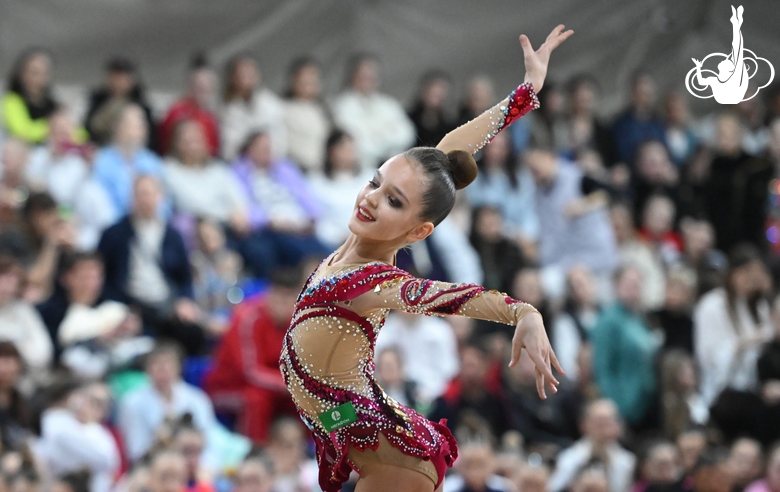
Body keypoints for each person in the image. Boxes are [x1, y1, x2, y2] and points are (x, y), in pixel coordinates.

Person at [279, 26, 573, 492]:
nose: (372, 200)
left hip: (393, 460)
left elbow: (454, 297)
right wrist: (524, 95)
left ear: (419, 232)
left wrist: (523, 311)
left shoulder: (374, 281)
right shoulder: (354, 240)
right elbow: (447, 153)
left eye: (394, 201)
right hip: (358, 420)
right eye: (376, 182)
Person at [97, 176, 208, 356]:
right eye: (140, 194)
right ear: (132, 198)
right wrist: (121, 309)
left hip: (166, 306)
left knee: (193, 334)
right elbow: (105, 278)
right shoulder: (114, 234)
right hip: (132, 306)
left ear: (159, 197)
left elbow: (184, 278)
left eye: (150, 194)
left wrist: (185, 301)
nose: (145, 199)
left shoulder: (173, 236)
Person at [203, 266, 303, 444]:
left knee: (315, 399)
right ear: (268, 294)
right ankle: (254, 453)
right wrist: (289, 385)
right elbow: (250, 372)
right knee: (257, 399)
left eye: (288, 297)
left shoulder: (298, 321)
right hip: (229, 387)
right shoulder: (249, 318)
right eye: (279, 296)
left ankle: (324, 456)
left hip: (274, 386)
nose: (283, 303)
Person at [230, 131, 329, 278]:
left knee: (327, 252)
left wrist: (311, 217)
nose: (267, 152)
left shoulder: (285, 168)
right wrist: (269, 221)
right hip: (268, 227)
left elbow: (305, 195)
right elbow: (241, 205)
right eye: (262, 148)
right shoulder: (238, 172)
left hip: (298, 224)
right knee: (301, 253)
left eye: (269, 148)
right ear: (249, 150)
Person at [591, 265, 661, 429]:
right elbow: (603, 369)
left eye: (637, 284)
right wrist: (616, 410)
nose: (634, 289)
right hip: (625, 405)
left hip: (646, 401)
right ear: (616, 286)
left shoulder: (640, 318)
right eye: (629, 284)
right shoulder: (608, 321)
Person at [330, 53, 416, 170]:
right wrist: (387, 133)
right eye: (362, 76)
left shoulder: (389, 104)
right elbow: (357, 145)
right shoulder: (342, 106)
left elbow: (407, 135)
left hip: (391, 168)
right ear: (352, 76)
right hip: (359, 171)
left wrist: (375, 137)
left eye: (371, 76)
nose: (367, 80)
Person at [32, 379, 120, 492]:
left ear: (104, 412)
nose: (87, 407)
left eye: (97, 405)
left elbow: (109, 460)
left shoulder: (102, 435)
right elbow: (55, 434)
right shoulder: (56, 419)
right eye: (86, 400)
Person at [162, 119, 248, 230]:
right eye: (187, 141)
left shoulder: (218, 169)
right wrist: (224, 215)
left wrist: (239, 214)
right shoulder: (169, 170)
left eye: (196, 140)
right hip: (195, 230)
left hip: (228, 227)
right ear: (176, 144)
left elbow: (239, 200)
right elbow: (191, 204)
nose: (192, 146)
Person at [92, 104, 164, 219]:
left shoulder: (152, 161)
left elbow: (164, 202)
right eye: (129, 125)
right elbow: (100, 201)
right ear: (116, 128)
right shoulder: (102, 160)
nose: (134, 132)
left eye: (139, 126)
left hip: (148, 223)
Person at [375, 308, 460, 406]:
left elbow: (449, 370)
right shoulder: (384, 330)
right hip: (393, 395)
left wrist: (427, 395)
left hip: (433, 398)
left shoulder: (440, 331)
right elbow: (376, 368)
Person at [548, 399, 636, 492]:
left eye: (608, 422)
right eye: (599, 423)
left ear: (617, 426)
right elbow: (553, 488)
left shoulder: (627, 462)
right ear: (584, 425)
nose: (604, 428)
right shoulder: (569, 458)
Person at [308, 130, 374, 249]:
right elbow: (318, 219)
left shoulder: (369, 178)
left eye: (351, 149)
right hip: (333, 243)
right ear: (331, 152)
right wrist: (338, 237)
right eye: (343, 149)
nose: (349, 154)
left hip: (369, 238)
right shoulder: (316, 183)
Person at [220, 54, 286, 161]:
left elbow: (280, 144)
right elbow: (229, 149)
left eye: (250, 72)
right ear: (233, 78)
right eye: (242, 72)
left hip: (270, 166)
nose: (247, 76)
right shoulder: (227, 110)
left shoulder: (273, 104)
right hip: (240, 165)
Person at [84, 56, 157, 149]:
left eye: (122, 77)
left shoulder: (141, 105)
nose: (118, 82)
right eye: (114, 77)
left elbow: (151, 138)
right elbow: (86, 128)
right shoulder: (97, 101)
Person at [158, 54, 220, 157]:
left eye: (206, 86)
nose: (202, 90)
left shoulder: (210, 117)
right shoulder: (176, 112)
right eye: (198, 86)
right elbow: (165, 145)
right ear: (190, 85)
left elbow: (214, 149)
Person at [282, 57, 332, 173]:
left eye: (314, 77)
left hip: (322, 172)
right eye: (305, 78)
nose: (310, 82)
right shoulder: (283, 109)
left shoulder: (324, 110)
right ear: (294, 80)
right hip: (295, 170)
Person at [691, 6, 748, 105]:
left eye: (727, 61)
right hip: (725, 102)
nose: (725, 59)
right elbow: (701, 82)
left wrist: (736, 25)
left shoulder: (734, 79)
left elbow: (737, 47)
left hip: (731, 100)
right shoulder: (715, 80)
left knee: (737, 50)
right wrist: (698, 68)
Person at [1, 48, 59, 144]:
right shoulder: (12, 100)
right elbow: (21, 131)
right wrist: (52, 127)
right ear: (22, 74)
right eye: (35, 72)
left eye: (44, 73)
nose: (40, 78)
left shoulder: (52, 103)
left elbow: (73, 131)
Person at [407, 71, 455, 147]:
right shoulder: (408, 120)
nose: (436, 100)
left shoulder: (448, 126)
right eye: (433, 94)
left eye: (439, 96)